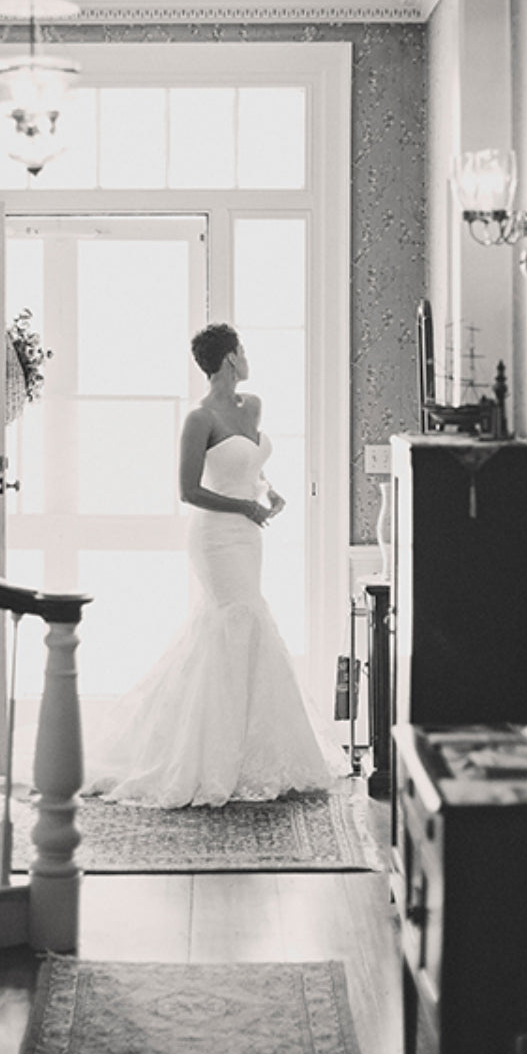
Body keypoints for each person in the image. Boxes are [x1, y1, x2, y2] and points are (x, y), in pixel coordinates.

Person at [82, 323, 346, 808]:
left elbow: (248, 465)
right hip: (215, 537)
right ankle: (204, 755)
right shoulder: (199, 419)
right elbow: (189, 490)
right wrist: (243, 507)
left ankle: (252, 753)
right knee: (233, 622)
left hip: (249, 536)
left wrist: (267, 491)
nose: (248, 357)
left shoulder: (253, 406)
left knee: (247, 627)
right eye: (242, 350)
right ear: (227, 359)